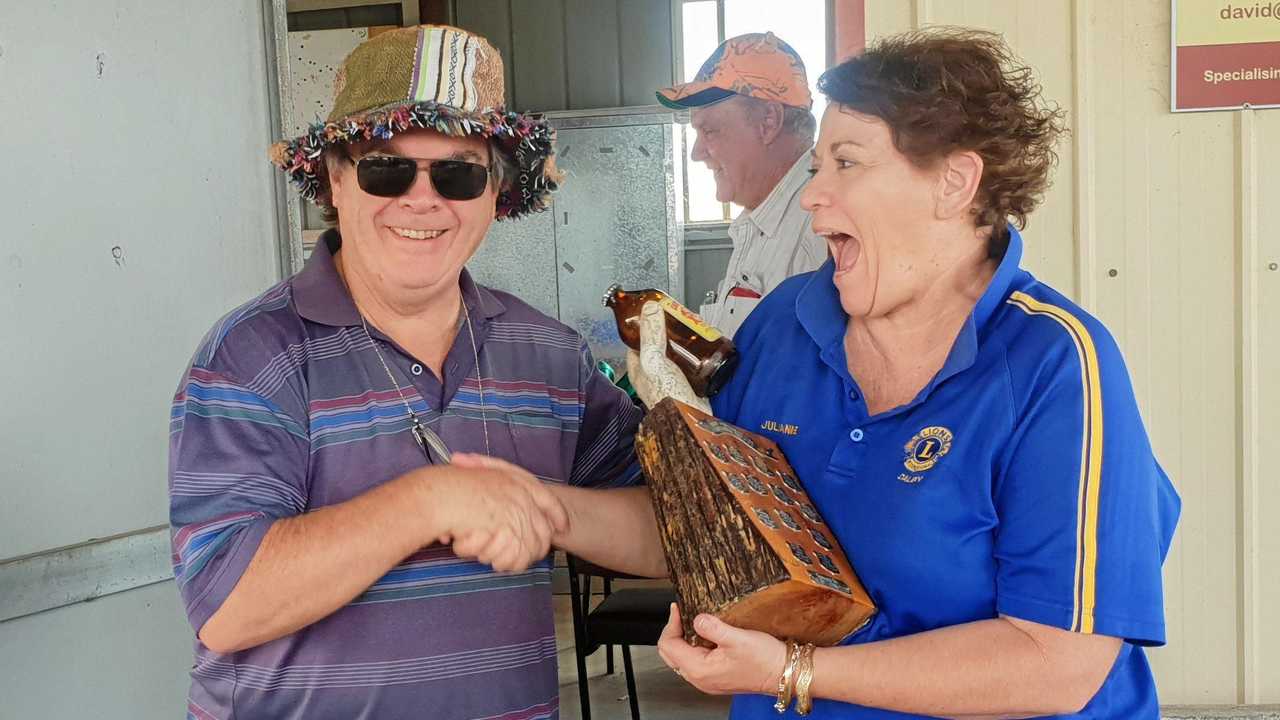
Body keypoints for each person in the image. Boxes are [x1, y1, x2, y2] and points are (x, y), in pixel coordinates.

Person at [646, 28, 1181, 718]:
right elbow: (701, 511)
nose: (813, 196)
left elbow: (1057, 662)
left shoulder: (1056, 362)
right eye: (817, 168)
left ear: (955, 183)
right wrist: (541, 509)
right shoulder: (787, 323)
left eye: (847, 163)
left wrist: (795, 670)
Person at [168, 25, 665, 719]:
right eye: (386, 169)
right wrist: (431, 501)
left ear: (496, 190)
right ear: (335, 180)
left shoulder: (549, 353)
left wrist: (542, 506)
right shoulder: (253, 355)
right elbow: (226, 604)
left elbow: (674, 536)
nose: (422, 199)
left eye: (458, 172)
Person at [657, 32, 827, 338]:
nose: (696, 153)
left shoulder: (820, 226)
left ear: (768, 122)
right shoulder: (760, 219)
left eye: (709, 131)